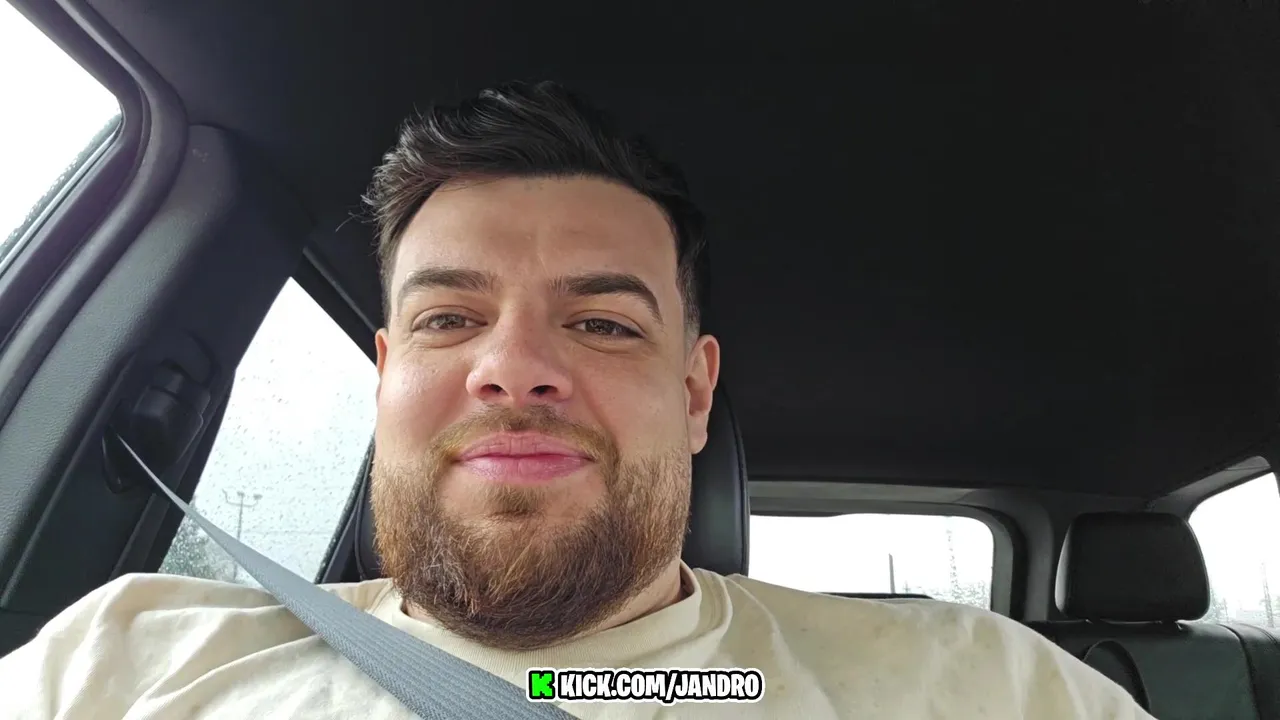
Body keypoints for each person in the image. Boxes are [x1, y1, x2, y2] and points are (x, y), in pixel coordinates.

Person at [0, 81, 1151, 719]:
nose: (512, 366)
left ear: (694, 394)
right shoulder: (122, 659)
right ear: (384, 376)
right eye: (448, 320)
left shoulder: (990, 689)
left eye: (601, 323)